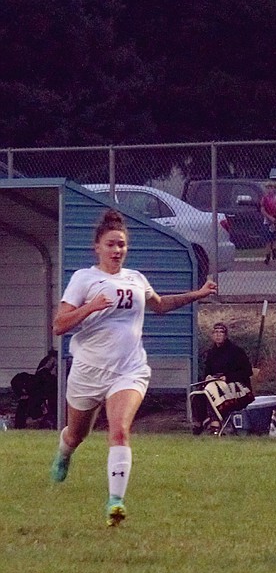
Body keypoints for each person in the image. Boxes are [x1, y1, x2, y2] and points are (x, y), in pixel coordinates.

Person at [50, 209, 217, 525]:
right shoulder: (84, 279)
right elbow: (59, 325)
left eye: (122, 245)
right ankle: (64, 453)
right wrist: (91, 306)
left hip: (129, 370)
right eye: (111, 245)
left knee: (120, 430)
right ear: (97, 248)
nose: (117, 251)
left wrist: (197, 294)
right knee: (76, 434)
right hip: (88, 370)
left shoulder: (136, 278)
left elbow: (160, 305)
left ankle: (115, 502)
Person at [191, 322, 255, 434]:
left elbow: (247, 371)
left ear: (226, 335)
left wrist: (228, 377)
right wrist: (208, 376)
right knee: (199, 394)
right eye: (215, 332)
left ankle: (215, 423)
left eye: (221, 332)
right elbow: (208, 371)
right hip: (215, 383)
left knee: (213, 391)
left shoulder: (236, 351)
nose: (218, 335)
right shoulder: (211, 353)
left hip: (238, 387)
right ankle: (198, 423)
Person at [261, 182, 276, 265]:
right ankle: (267, 256)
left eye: (271, 188)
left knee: (275, 239)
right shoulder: (264, 198)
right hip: (267, 222)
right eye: (267, 188)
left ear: (274, 189)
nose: (269, 190)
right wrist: (270, 218)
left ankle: (275, 253)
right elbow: (262, 210)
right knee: (268, 240)